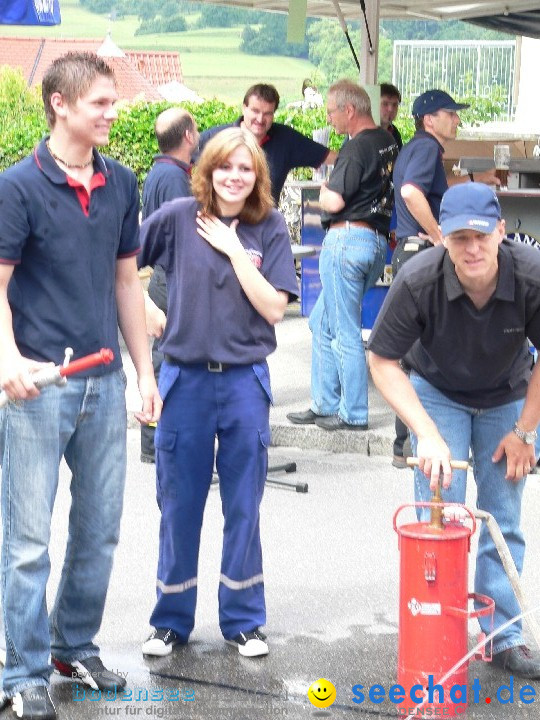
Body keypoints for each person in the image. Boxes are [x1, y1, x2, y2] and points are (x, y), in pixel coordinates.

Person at [0, 52, 161, 719]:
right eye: (100, 101)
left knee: (99, 530)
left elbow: (128, 283)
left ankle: (74, 645)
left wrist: (144, 372)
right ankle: (23, 671)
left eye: (113, 101)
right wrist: (7, 357)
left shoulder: (123, 183)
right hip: (38, 384)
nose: (112, 111)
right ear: (59, 104)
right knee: (28, 541)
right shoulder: (16, 186)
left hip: (101, 383)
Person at [368, 182, 540, 680]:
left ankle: (503, 636)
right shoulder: (418, 279)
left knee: (501, 516)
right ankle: (436, 631)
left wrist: (526, 433)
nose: (471, 248)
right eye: (459, 236)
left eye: (481, 236)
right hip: (437, 389)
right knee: (442, 512)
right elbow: (382, 361)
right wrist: (425, 432)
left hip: (507, 394)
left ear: (501, 232)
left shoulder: (530, 275)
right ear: (442, 236)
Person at [138, 128, 299, 659]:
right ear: (207, 170)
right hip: (184, 379)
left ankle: (244, 622)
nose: (235, 177)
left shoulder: (269, 228)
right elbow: (117, 267)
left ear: (257, 177)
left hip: (243, 381)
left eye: (245, 169)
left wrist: (234, 249)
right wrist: (147, 313)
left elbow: (274, 307)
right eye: (225, 167)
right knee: (178, 504)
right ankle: (170, 621)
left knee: (243, 507)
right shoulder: (180, 217)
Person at [390, 89, 499, 468]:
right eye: (449, 113)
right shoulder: (425, 148)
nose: (456, 119)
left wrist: (474, 179)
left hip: (410, 252)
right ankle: (407, 442)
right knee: (421, 351)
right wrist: (440, 235)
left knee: (413, 348)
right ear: (428, 119)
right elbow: (410, 192)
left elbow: (427, 190)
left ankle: (404, 442)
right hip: (420, 252)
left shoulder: (421, 148)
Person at [287, 80, 398, 431]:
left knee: (345, 330)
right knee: (322, 322)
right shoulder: (386, 141)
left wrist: (323, 188)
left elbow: (334, 201)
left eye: (332, 112)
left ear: (349, 110)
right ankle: (324, 403)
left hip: (347, 241)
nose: (330, 119)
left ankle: (353, 413)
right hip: (375, 243)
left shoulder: (356, 148)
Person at [140, 107, 198, 464]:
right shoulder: (176, 179)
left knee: (164, 356)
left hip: (163, 276)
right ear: (189, 136)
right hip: (172, 277)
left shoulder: (159, 172)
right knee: (169, 360)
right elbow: (182, 234)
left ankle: (154, 440)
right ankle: (158, 441)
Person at [197, 83, 337, 204]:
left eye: (267, 113)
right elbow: (183, 166)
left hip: (264, 230)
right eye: (255, 111)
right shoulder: (213, 138)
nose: (260, 118)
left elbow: (336, 158)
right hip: (216, 227)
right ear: (244, 108)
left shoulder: (286, 139)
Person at [379, 82, 403, 150]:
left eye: (395, 105)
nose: (391, 109)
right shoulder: (365, 134)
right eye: (385, 104)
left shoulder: (394, 133)